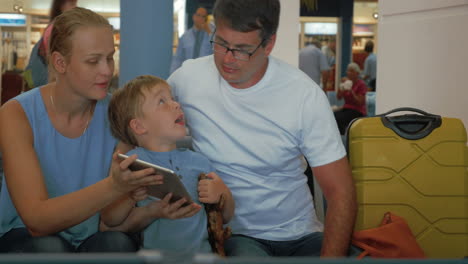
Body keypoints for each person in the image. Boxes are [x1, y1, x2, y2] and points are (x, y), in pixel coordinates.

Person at [168, 0, 357, 257]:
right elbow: (140, 117)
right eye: (221, 43)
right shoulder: (188, 79)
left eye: (243, 49)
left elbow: (340, 193)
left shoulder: (303, 95)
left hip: (301, 233)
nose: (228, 58)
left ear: (269, 44)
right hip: (237, 235)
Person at [0, 7, 161, 253]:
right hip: (25, 237)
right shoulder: (16, 114)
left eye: (110, 57)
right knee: (51, 247)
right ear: (60, 62)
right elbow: (36, 221)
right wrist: (115, 186)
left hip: (92, 237)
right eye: (93, 61)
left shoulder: (117, 113)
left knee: (117, 244)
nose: (107, 70)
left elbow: (111, 221)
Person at [103, 75, 234, 255]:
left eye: (173, 99)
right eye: (162, 101)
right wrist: (130, 197)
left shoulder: (199, 161)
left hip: (202, 257)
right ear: (139, 126)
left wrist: (222, 193)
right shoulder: (132, 165)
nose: (175, 104)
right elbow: (110, 219)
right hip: (154, 258)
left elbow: (225, 217)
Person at [23, 0, 78, 90]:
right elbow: (55, 61)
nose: (75, 7)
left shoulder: (54, 26)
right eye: (72, 4)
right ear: (61, 6)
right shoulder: (57, 28)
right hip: (49, 81)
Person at [170, 7, 213, 74]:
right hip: (188, 73)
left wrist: (209, 31)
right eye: (198, 15)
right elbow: (178, 58)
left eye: (204, 16)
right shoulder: (185, 37)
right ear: (194, 17)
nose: (201, 18)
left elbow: (217, 49)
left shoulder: (211, 34)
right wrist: (172, 74)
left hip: (206, 73)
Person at [334, 62, 367, 135]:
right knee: (333, 115)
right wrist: (341, 87)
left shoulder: (361, 84)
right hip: (347, 109)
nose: (348, 73)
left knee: (339, 118)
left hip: (357, 110)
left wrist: (351, 91)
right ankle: (339, 136)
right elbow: (338, 97)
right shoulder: (346, 83)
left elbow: (360, 102)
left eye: (351, 71)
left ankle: (342, 137)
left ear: (357, 73)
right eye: (348, 70)